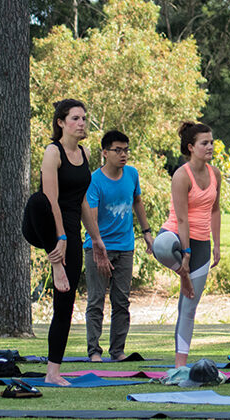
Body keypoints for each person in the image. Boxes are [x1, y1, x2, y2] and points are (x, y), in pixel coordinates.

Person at [82, 130, 155, 362]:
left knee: (121, 302)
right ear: (105, 153)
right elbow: (90, 216)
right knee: (96, 301)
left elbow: (137, 201)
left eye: (126, 150)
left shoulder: (132, 174)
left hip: (125, 247)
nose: (123, 155)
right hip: (99, 247)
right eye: (118, 150)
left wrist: (147, 233)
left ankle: (118, 351)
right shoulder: (94, 180)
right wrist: (98, 246)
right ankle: (94, 351)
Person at [159, 122, 222, 367]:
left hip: (201, 242)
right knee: (161, 246)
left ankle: (179, 365)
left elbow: (215, 210)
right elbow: (182, 218)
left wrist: (217, 245)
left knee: (189, 305)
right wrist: (184, 258)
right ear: (191, 147)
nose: (210, 146)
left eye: (211, 142)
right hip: (176, 235)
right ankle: (182, 273)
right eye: (204, 143)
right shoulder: (181, 176)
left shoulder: (215, 173)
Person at [41, 99, 93, 385]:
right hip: (44, 223)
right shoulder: (53, 152)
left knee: (66, 301)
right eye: (75, 118)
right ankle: (55, 262)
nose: (81, 123)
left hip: (71, 229)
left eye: (83, 118)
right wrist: (58, 238)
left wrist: (95, 239)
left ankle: (53, 372)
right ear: (61, 122)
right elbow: (50, 200)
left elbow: (84, 201)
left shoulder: (84, 153)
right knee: (39, 203)